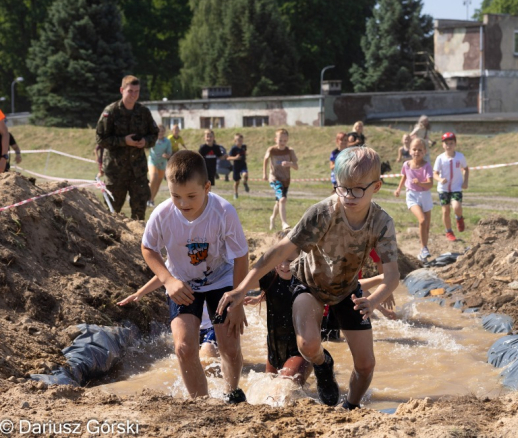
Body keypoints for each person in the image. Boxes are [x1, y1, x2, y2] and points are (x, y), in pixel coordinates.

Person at [217, 146, 399, 409]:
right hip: (309, 284)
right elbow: (279, 251)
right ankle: (323, 365)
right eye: (343, 187)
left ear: (377, 187)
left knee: (366, 364)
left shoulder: (382, 223)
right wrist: (242, 289)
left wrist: (374, 300)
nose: (349, 195)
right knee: (308, 344)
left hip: (347, 290)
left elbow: (392, 276)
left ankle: (350, 406)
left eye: (358, 189)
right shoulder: (322, 213)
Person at [141, 150, 249, 402]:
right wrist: (168, 280)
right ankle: (201, 402)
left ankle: (232, 392)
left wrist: (238, 299)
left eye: (191, 196)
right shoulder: (162, 214)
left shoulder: (224, 212)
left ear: (207, 187)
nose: (183, 203)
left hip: (221, 281)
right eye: (175, 195)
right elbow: (148, 248)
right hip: (182, 283)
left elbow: (241, 256)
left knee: (230, 348)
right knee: (184, 347)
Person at [243, 231, 312, 384]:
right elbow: (241, 284)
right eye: (279, 259)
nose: (284, 265)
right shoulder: (269, 277)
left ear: (301, 258)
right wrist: (259, 298)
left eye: (290, 260)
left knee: (284, 386)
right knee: (268, 386)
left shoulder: (307, 281)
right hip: (274, 349)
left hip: (300, 350)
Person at [95, 75, 159, 220]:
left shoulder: (143, 112)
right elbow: (100, 139)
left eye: (137, 91)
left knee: (139, 214)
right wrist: (124, 141)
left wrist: (145, 141)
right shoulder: (110, 112)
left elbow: (154, 135)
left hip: (138, 172)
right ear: (122, 90)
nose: (134, 95)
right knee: (112, 212)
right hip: (116, 171)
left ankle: (138, 242)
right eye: (130, 91)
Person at [118, 278, 219, 361]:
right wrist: (139, 293)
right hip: (189, 324)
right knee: (187, 356)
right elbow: (163, 276)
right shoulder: (180, 262)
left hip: (212, 325)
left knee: (207, 357)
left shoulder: (221, 263)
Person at [395, 138, 434, 261]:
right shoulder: (406, 164)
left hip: (425, 195)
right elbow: (404, 176)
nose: (417, 152)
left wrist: (421, 183)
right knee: (422, 221)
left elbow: (430, 184)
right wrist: (398, 189)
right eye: (414, 149)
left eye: (420, 150)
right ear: (410, 150)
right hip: (412, 195)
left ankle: (423, 252)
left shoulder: (427, 166)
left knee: (426, 226)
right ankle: (424, 248)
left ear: (425, 151)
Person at [433, 132, 469, 242]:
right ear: (443, 145)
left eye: (451, 143)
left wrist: (465, 182)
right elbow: (435, 173)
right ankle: (449, 231)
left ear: (455, 144)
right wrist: (440, 179)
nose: (449, 146)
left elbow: (466, 169)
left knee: (457, 207)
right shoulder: (440, 158)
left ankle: (459, 218)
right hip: (443, 189)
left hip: (456, 187)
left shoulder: (460, 156)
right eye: (446, 143)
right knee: (445, 211)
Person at [263, 128, 298, 231]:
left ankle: (273, 218)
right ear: (275, 139)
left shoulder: (290, 151)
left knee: (279, 202)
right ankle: (284, 223)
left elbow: (296, 167)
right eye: (280, 140)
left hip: (286, 179)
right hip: (274, 178)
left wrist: (290, 164)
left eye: (285, 141)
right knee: (282, 199)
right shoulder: (272, 150)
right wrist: (264, 174)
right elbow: (265, 159)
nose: (282, 143)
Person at [147, 125, 172, 208]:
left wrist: (167, 155)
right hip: (152, 162)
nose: (160, 132)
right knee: (154, 177)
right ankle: (147, 197)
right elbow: (147, 146)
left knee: (158, 183)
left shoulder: (167, 141)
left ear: (164, 132)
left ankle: (151, 200)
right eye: (158, 131)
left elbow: (169, 153)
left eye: (162, 131)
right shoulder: (153, 139)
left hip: (162, 164)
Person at [228, 133, 249, 200]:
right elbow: (228, 158)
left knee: (245, 174)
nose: (240, 142)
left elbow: (244, 153)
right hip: (236, 166)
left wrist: (245, 155)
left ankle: (245, 183)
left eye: (241, 140)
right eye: (238, 140)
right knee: (237, 181)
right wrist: (235, 158)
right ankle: (235, 193)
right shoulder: (233, 148)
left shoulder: (244, 147)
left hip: (243, 165)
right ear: (235, 141)